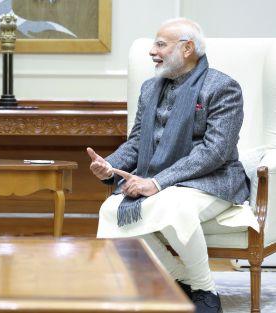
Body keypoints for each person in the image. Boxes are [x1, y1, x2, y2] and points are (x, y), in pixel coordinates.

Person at [87, 18, 258, 313]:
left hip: (212, 180)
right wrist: (109, 166)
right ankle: (181, 281)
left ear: (187, 48)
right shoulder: (149, 88)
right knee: (111, 210)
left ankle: (206, 291)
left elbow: (214, 152)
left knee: (171, 203)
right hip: (159, 180)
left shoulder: (223, 88)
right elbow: (138, 141)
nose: (152, 51)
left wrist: (156, 182)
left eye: (160, 45)